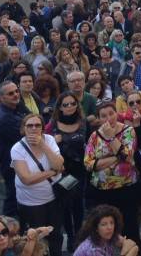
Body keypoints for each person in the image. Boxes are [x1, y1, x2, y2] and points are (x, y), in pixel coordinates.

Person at [84, 102, 141, 248]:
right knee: (105, 232)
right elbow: (89, 164)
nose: (108, 118)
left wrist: (111, 138)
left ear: (117, 113)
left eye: (111, 113)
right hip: (102, 191)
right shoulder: (94, 136)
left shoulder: (128, 131)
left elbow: (128, 157)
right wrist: (117, 156)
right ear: (99, 118)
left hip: (126, 188)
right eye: (103, 116)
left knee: (130, 229)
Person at [11, 114, 64, 256]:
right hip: (31, 203)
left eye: (37, 125)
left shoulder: (50, 140)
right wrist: (52, 172)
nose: (33, 128)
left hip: (53, 199)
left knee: (55, 235)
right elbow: (26, 179)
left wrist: (42, 145)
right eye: (30, 125)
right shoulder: (17, 149)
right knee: (35, 239)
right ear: (24, 128)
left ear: (42, 128)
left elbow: (59, 164)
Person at [45, 91, 87, 253]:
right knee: (65, 206)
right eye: (66, 104)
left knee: (78, 205)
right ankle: (70, 235)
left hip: (80, 171)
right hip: (61, 172)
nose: (70, 107)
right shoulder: (52, 125)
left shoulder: (83, 122)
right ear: (60, 108)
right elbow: (43, 147)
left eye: (73, 103)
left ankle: (78, 235)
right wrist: (52, 142)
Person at [0, 81, 29, 217]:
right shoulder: (3, 117)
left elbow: (31, 119)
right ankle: (7, 225)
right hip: (10, 163)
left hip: (16, 159)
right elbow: (27, 133)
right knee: (13, 195)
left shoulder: (16, 107)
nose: (16, 95)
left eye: (16, 91)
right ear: (1, 98)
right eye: (11, 93)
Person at [73, 205, 138, 256]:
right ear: (96, 228)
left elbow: (131, 243)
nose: (109, 227)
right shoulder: (93, 250)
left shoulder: (107, 235)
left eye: (112, 223)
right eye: (104, 224)